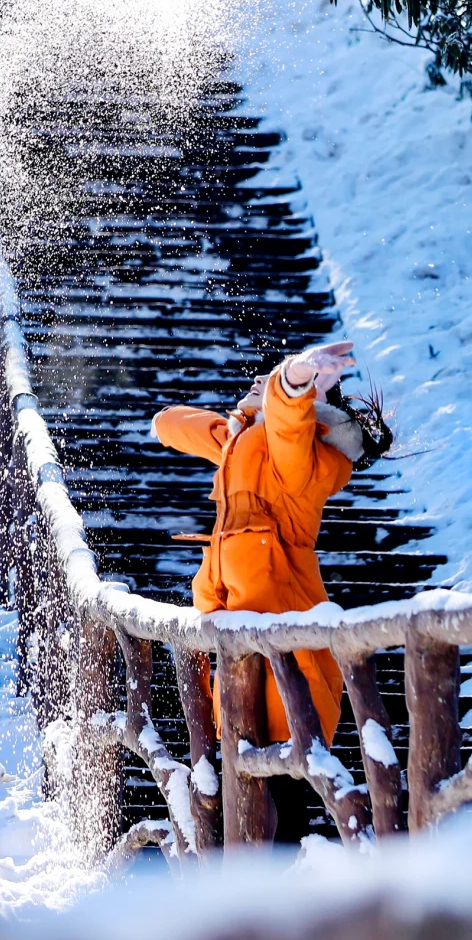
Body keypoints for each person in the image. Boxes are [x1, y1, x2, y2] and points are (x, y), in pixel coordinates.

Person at [151, 340, 392, 841]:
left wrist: (296, 379)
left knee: (280, 790)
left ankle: (288, 891)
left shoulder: (294, 458)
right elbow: (196, 428)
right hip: (248, 646)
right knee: (252, 788)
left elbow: (285, 423)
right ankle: (262, 890)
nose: (260, 382)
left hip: (286, 652)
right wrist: (165, 423)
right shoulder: (248, 447)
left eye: (269, 381)